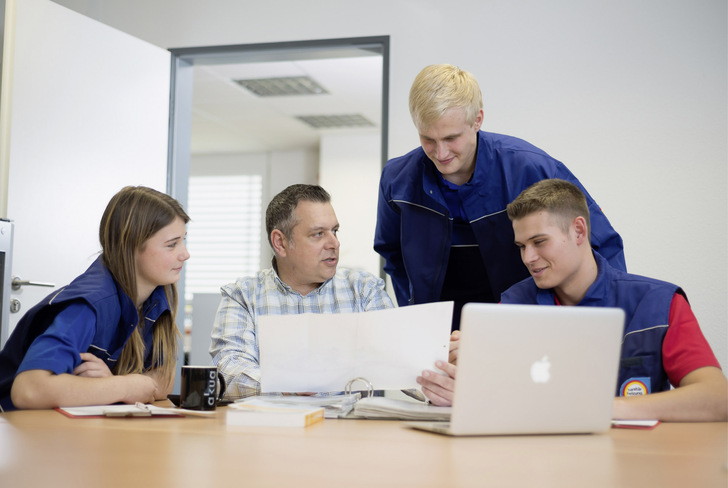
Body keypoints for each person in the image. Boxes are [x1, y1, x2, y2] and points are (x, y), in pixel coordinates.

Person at [417, 179, 727, 422]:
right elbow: (497, 397)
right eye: (522, 246)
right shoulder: (512, 306)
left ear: (578, 230)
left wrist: (601, 409)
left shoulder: (658, 302)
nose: (528, 258)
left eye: (539, 242)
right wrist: (460, 380)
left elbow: (717, 399)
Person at [374, 64, 626, 330]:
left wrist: (605, 327)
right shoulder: (397, 181)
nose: (441, 152)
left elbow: (603, 245)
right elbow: (393, 255)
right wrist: (416, 316)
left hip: (523, 322)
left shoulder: (532, 169)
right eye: (428, 139)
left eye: (451, 138)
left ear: (478, 120)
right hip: (439, 330)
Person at [0, 186, 190, 411]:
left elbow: (163, 381)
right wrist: (123, 387)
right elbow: (29, 391)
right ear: (130, 245)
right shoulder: (88, 306)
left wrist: (112, 382)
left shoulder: (159, 294)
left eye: (183, 241)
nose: (185, 254)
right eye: (172, 244)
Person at [210, 184, 394, 399]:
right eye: (318, 234)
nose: (334, 243)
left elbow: (399, 357)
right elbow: (229, 367)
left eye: (334, 231)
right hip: (271, 428)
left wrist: (436, 369)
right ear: (280, 242)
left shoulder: (364, 289)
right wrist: (284, 386)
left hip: (349, 429)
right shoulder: (243, 295)